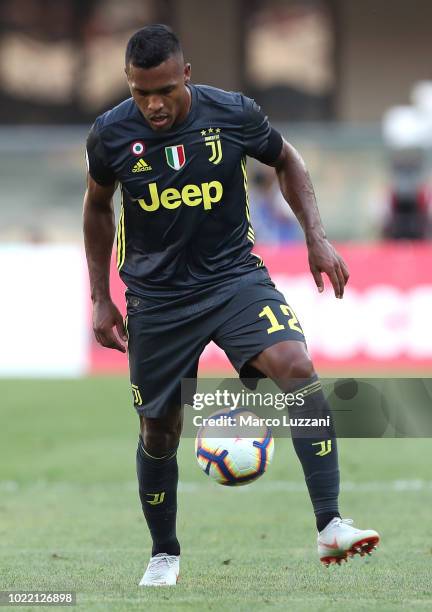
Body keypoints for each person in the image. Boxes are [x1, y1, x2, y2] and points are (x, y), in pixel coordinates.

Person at [83, 24, 379, 587]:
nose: (154, 105)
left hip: (232, 278)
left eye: (165, 90)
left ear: (186, 74)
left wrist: (315, 235)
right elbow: (97, 208)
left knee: (298, 369)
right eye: (141, 92)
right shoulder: (110, 136)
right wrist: (101, 296)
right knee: (159, 431)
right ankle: (164, 553)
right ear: (128, 84)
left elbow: (286, 158)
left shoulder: (232, 114)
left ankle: (330, 523)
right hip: (158, 298)